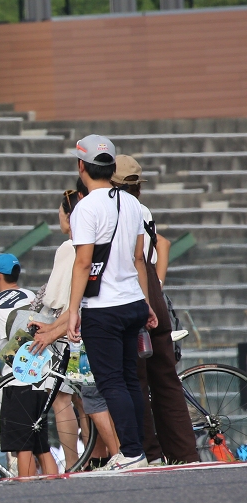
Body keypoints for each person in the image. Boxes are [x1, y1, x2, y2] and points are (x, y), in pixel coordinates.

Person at [64, 135, 157, 471]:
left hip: (104, 308)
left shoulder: (85, 207)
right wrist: (146, 304)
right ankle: (137, 450)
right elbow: (138, 259)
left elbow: (83, 263)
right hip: (132, 300)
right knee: (129, 379)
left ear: (81, 166)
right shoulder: (131, 204)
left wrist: (73, 310)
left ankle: (132, 453)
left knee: (111, 382)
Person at [113, 155, 198, 464]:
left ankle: (147, 453)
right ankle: (185, 454)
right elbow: (157, 247)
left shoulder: (116, 210)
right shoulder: (143, 209)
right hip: (153, 290)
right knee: (166, 379)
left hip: (132, 290)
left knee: (134, 379)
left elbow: (128, 259)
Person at [31, 189, 121, 468]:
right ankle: (100, 456)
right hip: (89, 319)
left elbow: (60, 299)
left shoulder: (70, 247)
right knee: (88, 398)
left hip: (74, 327)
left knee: (68, 397)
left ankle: (80, 461)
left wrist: (51, 330)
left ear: (69, 216)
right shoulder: (102, 241)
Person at [0, 253, 58, 478]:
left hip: (16, 377)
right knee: (41, 445)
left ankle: (27, 488)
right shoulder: (30, 295)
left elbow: (5, 340)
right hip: (39, 375)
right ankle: (57, 484)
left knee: (23, 446)